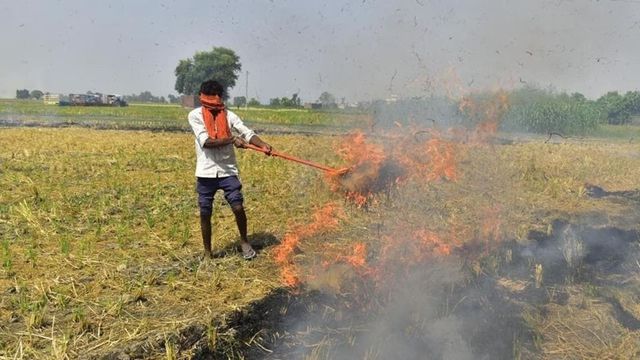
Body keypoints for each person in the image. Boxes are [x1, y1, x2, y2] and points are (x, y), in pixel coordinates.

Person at [187, 80, 272, 260]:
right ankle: (208, 253)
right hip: (206, 171)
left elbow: (247, 133)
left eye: (219, 95)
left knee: (238, 206)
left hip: (227, 170)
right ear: (203, 97)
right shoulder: (195, 115)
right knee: (205, 211)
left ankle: (244, 242)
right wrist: (232, 140)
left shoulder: (229, 115)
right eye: (213, 96)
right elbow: (207, 142)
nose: (217, 100)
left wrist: (262, 144)